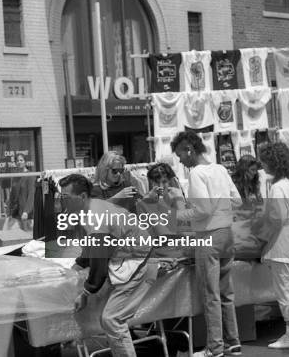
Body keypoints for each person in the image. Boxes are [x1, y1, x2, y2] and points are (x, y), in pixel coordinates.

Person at [62, 174, 156, 357]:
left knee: (112, 320)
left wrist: (86, 292)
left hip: (140, 262)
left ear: (81, 197)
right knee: (109, 320)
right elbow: (94, 249)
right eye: (61, 196)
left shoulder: (95, 215)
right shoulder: (92, 208)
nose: (62, 201)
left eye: (66, 197)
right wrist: (77, 266)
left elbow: (99, 263)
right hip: (135, 260)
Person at [168, 131, 242, 357]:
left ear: (188, 150)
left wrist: (180, 211)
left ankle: (215, 348)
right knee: (226, 292)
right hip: (227, 234)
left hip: (208, 237)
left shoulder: (197, 174)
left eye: (180, 155)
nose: (179, 160)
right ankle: (233, 342)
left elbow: (203, 209)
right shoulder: (220, 169)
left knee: (211, 294)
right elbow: (237, 200)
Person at [255, 142, 289, 349]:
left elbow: (277, 219)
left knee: (286, 293)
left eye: (263, 162)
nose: (262, 167)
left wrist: (263, 242)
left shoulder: (278, 187)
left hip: (282, 247)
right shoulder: (287, 183)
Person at [5, 153, 36, 231]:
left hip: (26, 213)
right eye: (17, 160)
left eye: (21, 160)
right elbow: (12, 194)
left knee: (29, 234)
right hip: (16, 212)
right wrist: (9, 209)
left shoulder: (30, 175)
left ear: (25, 161)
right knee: (9, 231)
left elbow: (31, 195)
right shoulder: (15, 177)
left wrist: (26, 211)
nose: (19, 162)